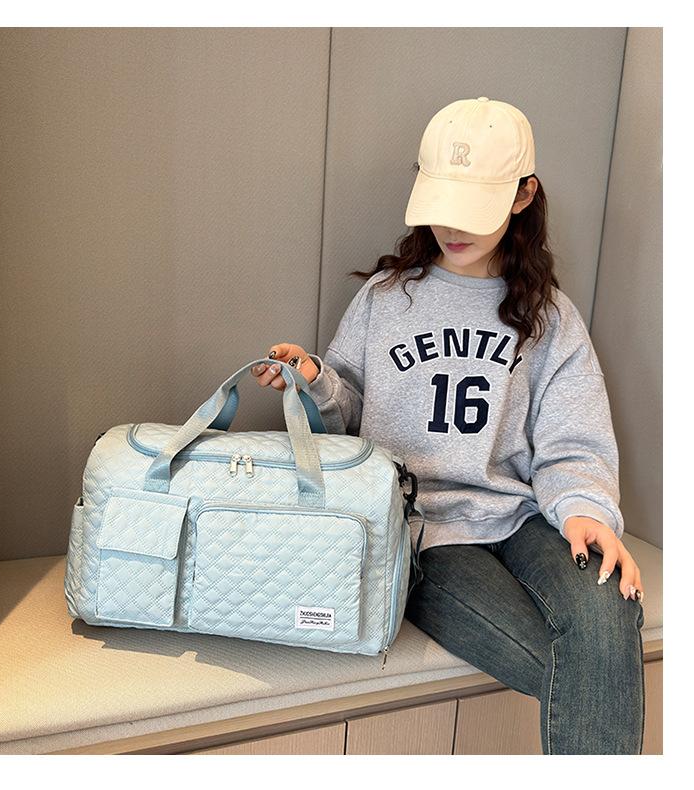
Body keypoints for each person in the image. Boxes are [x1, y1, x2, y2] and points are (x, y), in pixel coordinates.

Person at [249, 97, 646, 755]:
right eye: (441, 204)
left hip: (523, 518)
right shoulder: (386, 299)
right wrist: (314, 377)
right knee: (582, 668)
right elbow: (348, 421)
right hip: (422, 533)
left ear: (523, 196)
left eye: (472, 209)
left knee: (611, 611)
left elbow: (573, 438)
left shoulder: (551, 318)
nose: (452, 228)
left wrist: (585, 512)